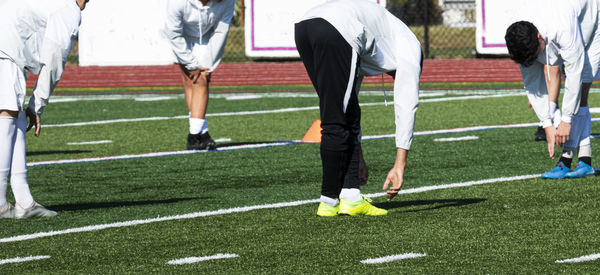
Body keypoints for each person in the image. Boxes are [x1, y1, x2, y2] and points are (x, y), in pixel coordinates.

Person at [295, 0, 422, 216]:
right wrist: (400, 165)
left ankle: (351, 195)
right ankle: (328, 201)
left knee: (346, 112)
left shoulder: (384, 36)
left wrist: (358, 158)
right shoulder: (409, 50)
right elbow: (406, 106)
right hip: (336, 28)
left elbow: (351, 109)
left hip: (304, 27)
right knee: (335, 119)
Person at [0, 0, 89, 219]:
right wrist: (37, 105)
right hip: (5, 49)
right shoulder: (67, 9)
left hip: (7, 45)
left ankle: (24, 201)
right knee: (7, 114)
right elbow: (54, 59)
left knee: (15, 115)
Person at [505, 0, 598, 179]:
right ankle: (584, 160)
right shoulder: (520, 36)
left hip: (592, 19)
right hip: (563, 15)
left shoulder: (561, 26)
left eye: (536, 54)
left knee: (582, 85)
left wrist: (566, 120)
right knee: (576, 93)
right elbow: (532, 82)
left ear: (539, 36)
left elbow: (574, 74)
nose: (536, 59)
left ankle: (568, 158)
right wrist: (546, 122)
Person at [164, 0, 235, 150]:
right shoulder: (177, 2)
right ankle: (199, 135)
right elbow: (173, 33)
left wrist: (208, 65)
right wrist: (191, 63)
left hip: (208, 38)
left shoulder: (228, 1)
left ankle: (196, 135)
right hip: (182, 37)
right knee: (190, 81)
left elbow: (221, 31)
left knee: (201, 79)